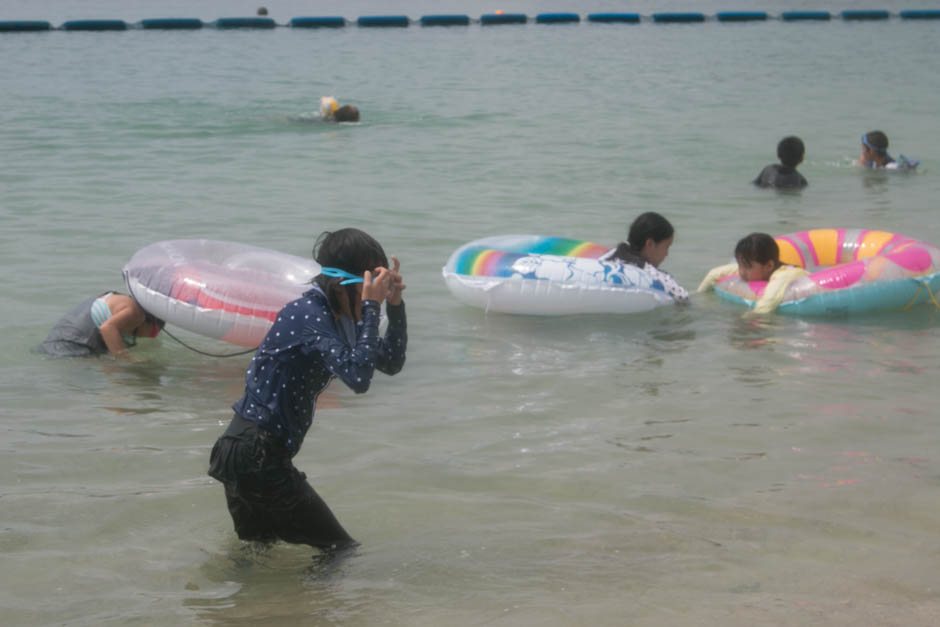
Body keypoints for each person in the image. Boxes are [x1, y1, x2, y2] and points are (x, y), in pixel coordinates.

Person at [208, 228, 407, 551]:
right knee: (340, 549)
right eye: (371, 287)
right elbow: (358, 378)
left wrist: (395, 307)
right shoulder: (308, 315)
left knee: (258, 552)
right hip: (256, 452)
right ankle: (315, 604)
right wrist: (372, 308)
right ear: (342, 284)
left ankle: (254, 603)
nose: (377, 296)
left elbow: (391, 361)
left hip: (246, 451)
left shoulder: (341, 318)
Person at [698, 233, 807, 314]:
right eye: (740, 265)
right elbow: (715, 274)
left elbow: (770, 300)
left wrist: (749, 317)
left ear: (768, 266)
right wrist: (700, 294)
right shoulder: (757, 268)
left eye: (747, 267)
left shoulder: (784, 275)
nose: (741, 271)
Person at [38, 292, 164, 358]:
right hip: (71, 349)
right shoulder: (136, 314)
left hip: (54, 340)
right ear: (152, 322)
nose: (150, 337)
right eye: (153, 333)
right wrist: (126, 359)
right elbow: (107, 328)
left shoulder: (118, 299)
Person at [602, 211, 689, 303]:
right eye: (666, 247)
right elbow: (683, 298)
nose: (666, 254)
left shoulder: (610, 255)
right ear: (650, 244)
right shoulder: (652, 273)